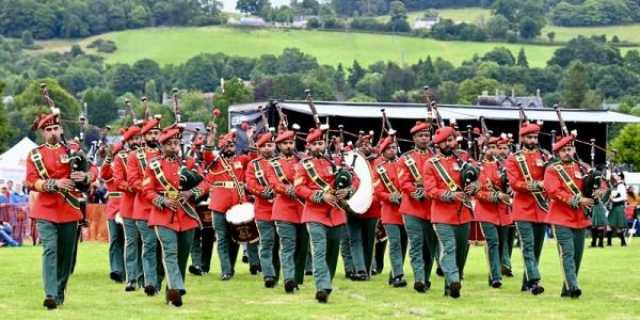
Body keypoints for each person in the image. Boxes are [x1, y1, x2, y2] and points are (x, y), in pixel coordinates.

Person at [26, 109, 88, 309]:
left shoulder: (72, 151)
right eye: (48, 129)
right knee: (50, 250)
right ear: (43, 133)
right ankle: (50, 294)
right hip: (45, 210)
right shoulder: (35, 154)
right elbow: (31, 181)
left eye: (55, 128)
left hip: (69, 208)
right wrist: (54, 184)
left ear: (61, 129)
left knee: (66, 256)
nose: (53, 132)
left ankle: (59, 291)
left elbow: (90, 172)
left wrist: (84, 178)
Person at [294, 127, 357, 303]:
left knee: (332, 253)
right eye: (315, 144)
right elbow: (299, 187)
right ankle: (322, 286)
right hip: (314, 213)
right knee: (319, 251)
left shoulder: (337, 162)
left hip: (336, 213)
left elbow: (355, 178)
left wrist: (348, 191)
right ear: (309, 146)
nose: (319, 147)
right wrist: (321, 195)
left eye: (321, 143)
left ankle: (326, 281)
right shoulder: (303, 165)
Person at [143, 126, 201, 307]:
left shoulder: (189, 163)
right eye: (170, 144)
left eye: (176, 143)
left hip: (187, 215)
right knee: (170, 253)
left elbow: (207, 182)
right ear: (162, 146)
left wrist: (192, 192)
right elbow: (147, 190)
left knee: (182, 257)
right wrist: (162, 200)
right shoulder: (153, 165)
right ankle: (177, 288)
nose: (174, 146)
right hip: (163, 215)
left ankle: (172, 291)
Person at [424, 126, 477, 299]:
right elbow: (430, 190)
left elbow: (478, 178)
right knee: (449, 249)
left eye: (452, 140)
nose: (450, 143)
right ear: (438, 144)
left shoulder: (464, 160)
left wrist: (474, 186)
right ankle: (454, 279)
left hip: (464, 214)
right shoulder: (431, 164)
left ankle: (451, 285)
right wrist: (450, 194)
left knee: (462, 252)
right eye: (446, 141)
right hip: (442, 215)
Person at [543, 134, 595, 298]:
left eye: (569, 149)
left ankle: (567, 289)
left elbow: (594, 188)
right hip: (560, 218)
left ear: (574, 150)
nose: (567, 153)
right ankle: (573, 287)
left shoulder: (583, 168)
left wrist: (597, 193)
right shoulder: (552, 169)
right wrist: (579, 200)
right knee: (568, 253)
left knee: (578, 255)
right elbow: (553, 191)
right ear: (558, 153)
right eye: (563, 150)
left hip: (580, 219)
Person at [199, 131, 255, 280]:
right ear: (222, 147)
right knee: (222, 237)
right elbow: (207, 154)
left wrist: (250, 138)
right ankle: (226, 270)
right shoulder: (216, 162)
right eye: (227, 145)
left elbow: (253, 158)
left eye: (232, 145)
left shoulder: (241, 160)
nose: (230, 147)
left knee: (235, 237)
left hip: (237, 203)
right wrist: (211, 137)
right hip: (219, 204)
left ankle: (230, 267)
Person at [505, 122, 548, 295]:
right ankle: (534, 282)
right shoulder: (514, 158)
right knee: (528, 246)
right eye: (529, 137)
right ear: (522, 138)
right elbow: (515, 184)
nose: (533, 140)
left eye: (535, 137)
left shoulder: (544, 156)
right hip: (523, 209)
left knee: (537, 248)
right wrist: (538, 184)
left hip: (541, 208)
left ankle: (526, 282)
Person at [397, 121, 437, 293]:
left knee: (430, 247)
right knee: (416, 244)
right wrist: (415, 190)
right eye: (421, 136)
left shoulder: (436, 157)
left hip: (432, 208)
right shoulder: (406, 158)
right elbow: (403, 182)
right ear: (414, 138)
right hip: (412, 208)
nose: (424, 139)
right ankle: (419, 278)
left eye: (427, 136)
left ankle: (426, 278)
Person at [266, 129, 308, 293]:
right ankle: (289, 279)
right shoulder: (273, 164)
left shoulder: (303, 161)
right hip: (284, 209)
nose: (289, 146)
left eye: (291, 143)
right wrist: (285, 189)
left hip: (303, 209)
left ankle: (297, 278)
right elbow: (273, 182)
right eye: (285, 143)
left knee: (302, 247)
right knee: (287, 246)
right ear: (279, 145)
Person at [127, 116, 163, 296]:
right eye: (151, 133)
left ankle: (159, 279)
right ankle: (150, 282)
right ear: (144, 136)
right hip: (143, 207)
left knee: (162, 248)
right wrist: (151, 190)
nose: (155, 136)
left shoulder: (166, 155)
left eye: (157, 133)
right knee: (149, 245)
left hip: (164, 208)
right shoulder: (135, 156)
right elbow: (132, 181)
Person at [474, 136, 513, 288]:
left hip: (503, 212)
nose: (493, 150)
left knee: (502, 244)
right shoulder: (477, 167)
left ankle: (497, 272)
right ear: (484, 149)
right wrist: (495, 195)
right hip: (486, 211)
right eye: (490, 147)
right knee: (493, 243)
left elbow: (511, 185)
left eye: (495, 147)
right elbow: (476, 192)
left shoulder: (505, 166)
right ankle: (496, 277)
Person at [246, 131, 281, 288]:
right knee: (267, 243)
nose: (268, 149)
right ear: (259, 148)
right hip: (263, 210)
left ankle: (277, 273)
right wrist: (263, 192)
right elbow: (251, 185)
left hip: (281, 209)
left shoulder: (279, 162)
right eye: (265, 146)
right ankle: (268, 275)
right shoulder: (254, 165)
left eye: (270, 145)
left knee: (279, 244)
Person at [373, 134, 408, 287]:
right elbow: (378, 191)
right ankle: (398, 275)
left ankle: (394, 272)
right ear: (383, 152)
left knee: (404, 244)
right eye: (389, 148)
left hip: (406, 210)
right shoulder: (379, 169)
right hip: (389, 211)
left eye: (394, 147)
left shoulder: (405, 164)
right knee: (394, 243)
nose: (393, 151)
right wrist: (389, 196)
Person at [346, 133, 381, 280]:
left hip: (372, 208)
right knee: (355, 240)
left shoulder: (378, 163)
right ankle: (360, 270)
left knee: (369, 241)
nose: (365, 147)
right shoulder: (349, 162)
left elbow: (379, 186)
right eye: (361, 145)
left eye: (367, 144)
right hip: (352, 208)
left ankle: (366, 268)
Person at [115, 124, 144, 292]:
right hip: (129, 205)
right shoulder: (121, 158)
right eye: (133, 139)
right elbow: (118, 181)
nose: (136, 141)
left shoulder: (147, 156)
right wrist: (133, 186)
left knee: (146, 243)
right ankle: (131, 278)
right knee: (132, 242)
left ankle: (144, 277)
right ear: (127, 141)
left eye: (138, 138)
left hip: (146, 204)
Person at [101, 142, 126, 283]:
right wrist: (108, 158)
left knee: (129, 241)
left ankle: (128, 270)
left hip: (128, 207)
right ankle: (116, 270)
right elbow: (103, 173)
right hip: (114, 208)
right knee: (115, 239)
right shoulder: (111, 169)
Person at [607, 171, 627, 246]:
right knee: (609, 225)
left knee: (617, 227)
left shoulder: (621, 185)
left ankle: (623, 242)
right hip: (614, 207)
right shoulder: (616, 185)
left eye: (617, 175)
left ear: (620, 177)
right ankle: (609, 243)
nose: (615, 176)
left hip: (618, 207)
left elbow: (624, 198)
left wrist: (613, 200)